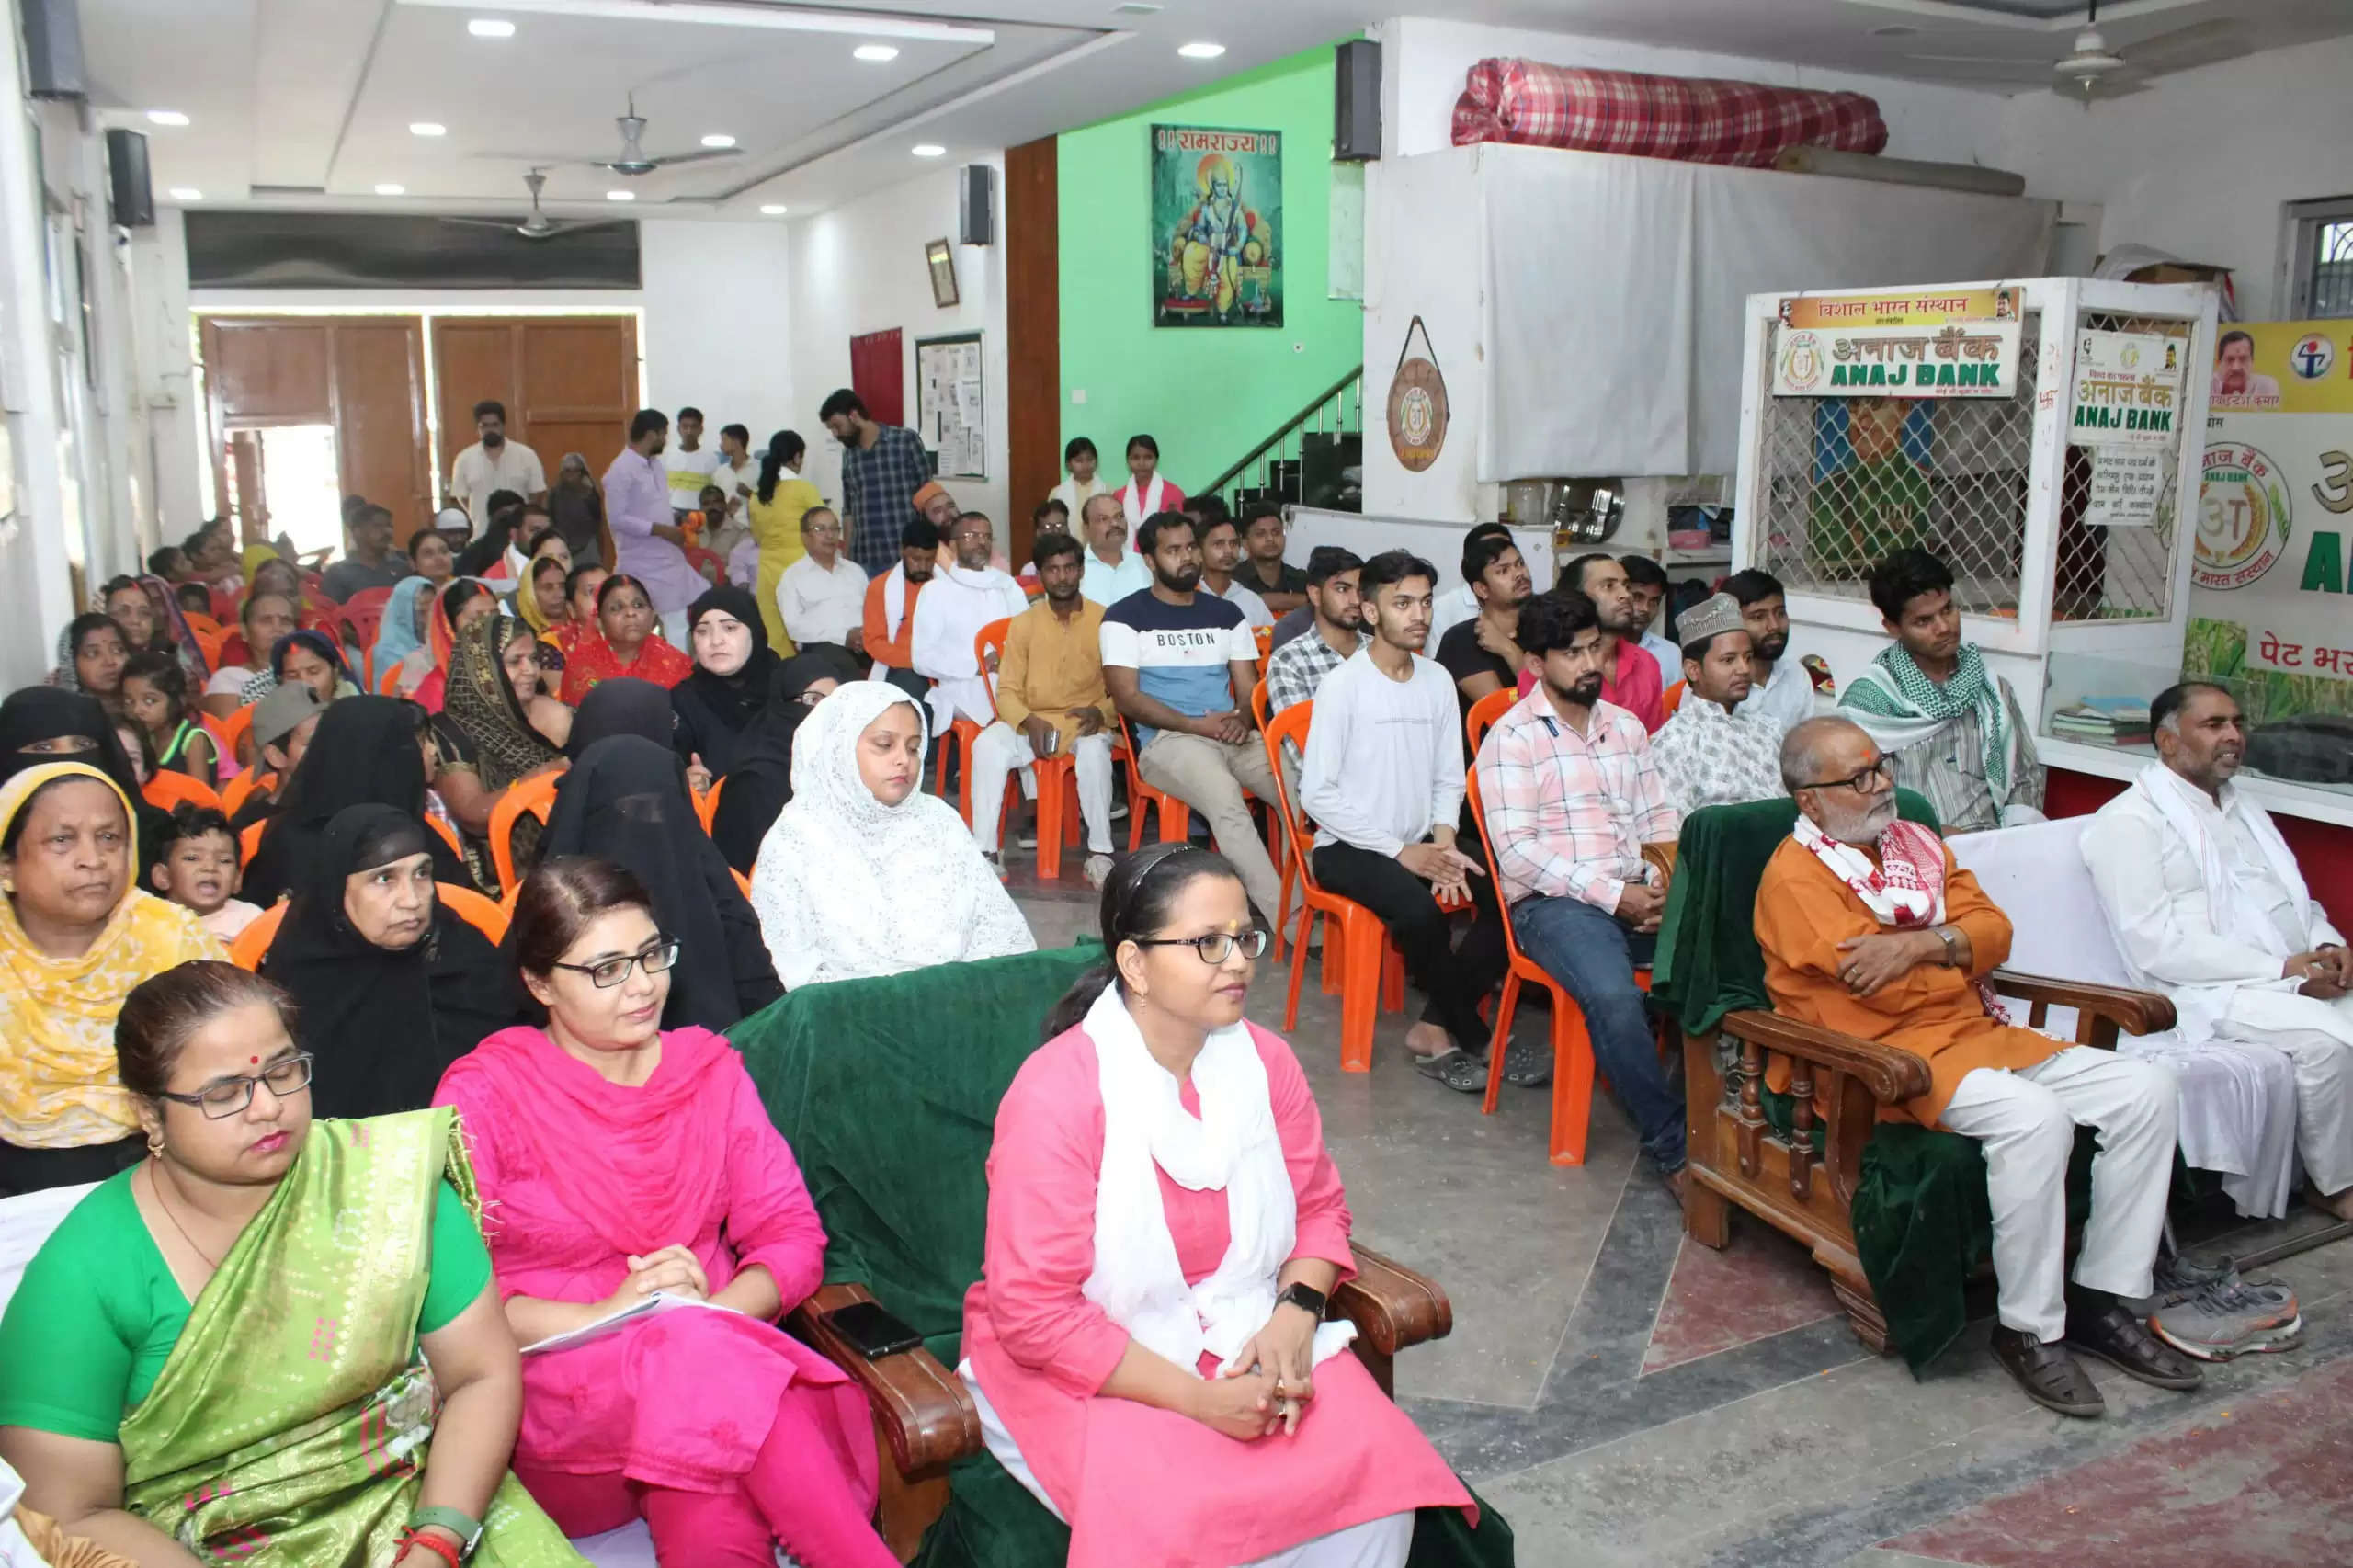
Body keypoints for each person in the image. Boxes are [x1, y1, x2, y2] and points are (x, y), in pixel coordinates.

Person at [963, 844, 1477, 1568]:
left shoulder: (1264, 1063)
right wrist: (1199, 1401)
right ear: (1135, 966)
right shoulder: (1059, 1095)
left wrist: (1295, 1317)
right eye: (1208, 943)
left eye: (1245, 937)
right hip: (1094, 1360)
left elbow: (1321, 1209)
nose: (1237, 961)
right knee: (1181, 1517)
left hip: (1243, 1325)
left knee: (1372, 1480)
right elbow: (1034, 1314)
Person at [0, 961, 584, 1564]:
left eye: (284, 1072)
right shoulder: (84, 1270)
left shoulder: (390, 1186)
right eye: (223, 1093)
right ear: (150, 1113)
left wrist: (436, 1541)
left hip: (425, 1502)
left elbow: (480, 1376)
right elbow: (69, 1510)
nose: (266, 1107)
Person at [434, 858, 890, 1566]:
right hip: (563, 1406)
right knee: (704, 1375)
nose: (643, 984)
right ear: (538, 983)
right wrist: (610, 1313)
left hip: (711, 1366)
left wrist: (715, 1315)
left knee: (699, 1382)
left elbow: (792, 1235)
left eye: (650, 954)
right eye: (607, 969)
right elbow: (454, 1302)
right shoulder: (486, 1096)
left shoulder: (705, 1071)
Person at [1758, 716, 2196, 1417]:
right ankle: (2028, 1331)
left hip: (1979, 1033)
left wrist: (1918, 946)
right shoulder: (1793, 877)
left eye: (1882, 767)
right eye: (1859, 778)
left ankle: (2099, 1298)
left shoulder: (1920, 846)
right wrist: (1950, 953)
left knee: (2147, 1087)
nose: (1882, 786)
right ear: (1811, 800)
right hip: (1882, 1060)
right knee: (2036, 1118)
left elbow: (1997, 934)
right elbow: (1884, 989)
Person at [2081, 681, 2353, 1227]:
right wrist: (2283, 971)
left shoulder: (2242, 808)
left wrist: (2327, 945)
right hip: (2199, 990)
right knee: (2327, 1043)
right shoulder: (2129, 822)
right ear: (2167, 742)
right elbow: (2153, 944)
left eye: (2236, 723)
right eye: (2213, 725)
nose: (2233, 736)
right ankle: (2333, 1185)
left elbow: (2292, 896)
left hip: (2278, 974)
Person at [1474, 591, 1683, 1168]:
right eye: (1572, 653)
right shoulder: (1513, 739)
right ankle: (1675, 1147)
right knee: (1615, 997)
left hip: (1637, 888)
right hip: (1554, 904)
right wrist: (1617, 897)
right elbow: (1516, 852)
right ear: (1537, 664)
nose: (1591, 663)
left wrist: (1662, 883)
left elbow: (1657, 818)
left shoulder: (1626, 727)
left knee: (1725, 964)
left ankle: (1722, 1119)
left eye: (1596, 647)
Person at [1302, 552, 1506, 1093]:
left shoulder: (1437, 679)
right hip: (1347, 845)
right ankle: (1475, 1033)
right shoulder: (1344, 686)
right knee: (1422, 917)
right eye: (1402, 604)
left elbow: (1448, 774)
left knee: (1512, 898)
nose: (1419, 615)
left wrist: (1442, 839)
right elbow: (1316, 793)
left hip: (1421, 839)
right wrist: (1400, 851)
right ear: (1370, 611)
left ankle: (1434, 1024)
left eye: (1424, 602)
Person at [0, 763, 223, 1196]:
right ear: (7, 867)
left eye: (109, 838)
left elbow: (230, 1081)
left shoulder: (174, 940)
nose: (93, 859)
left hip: (161, 1177)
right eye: (62, 840)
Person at [750, 681, 1034, 989]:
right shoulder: (796, 837)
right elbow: (791, 966)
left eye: (913, 748)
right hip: (847, 1016)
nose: (904, 760)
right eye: (885, 745)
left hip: (954, 1002)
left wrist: (962, 992)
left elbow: (997, 930)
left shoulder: (938, 821)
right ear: (839, 746)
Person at [259, 804, 524, 1117]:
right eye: (384, 879)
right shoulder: (300, 992)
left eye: (422, 874)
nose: (412, 900)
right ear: (336, 890)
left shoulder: (466, 962)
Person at [1101, 511, 1284, 921]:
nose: (1186, 558)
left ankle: (1306, 894)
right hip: (1168, 740)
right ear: (1149, 560)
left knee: (1299, 789)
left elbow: (1248, 685)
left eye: (1189, 548)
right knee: (1227, 802)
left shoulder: (1226, 615)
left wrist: (1242, 717)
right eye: (1172, 551)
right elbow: (1126, 699)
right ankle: (1288, 918)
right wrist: (1194, 725)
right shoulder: (1124, 617)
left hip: (1230, 733)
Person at [540, 738, 782, 1029]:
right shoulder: (554, 914)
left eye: (660, 810)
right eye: (624, 811)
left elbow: (767, 1014)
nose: (643, 985)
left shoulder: (720, 900)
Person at [1840, 548, 2044, 834]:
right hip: (1911, 854)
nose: (1944, 627)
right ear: (1892, 627)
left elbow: (2025, 779)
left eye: (1947, 610)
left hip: (1993, 847)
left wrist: (2016, 837)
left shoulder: (1992, 691)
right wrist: (1933, 834)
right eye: (1923, 621)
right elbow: (1858, 802)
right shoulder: (1870, 704)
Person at [970, 532, 1119, 886]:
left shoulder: (1106, 621)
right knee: (986, 745)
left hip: (1085, 723)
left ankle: (1100, 854)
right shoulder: (1024, 624)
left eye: (1069, 568)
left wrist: (1102, 712)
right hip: (1031, 722)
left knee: (1095, 752)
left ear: (1081, 571)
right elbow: (1006, 690)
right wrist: (1027, 720)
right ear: (1041, 575)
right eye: (1053, 570)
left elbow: (1124, 687)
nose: (1062, 577)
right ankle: (986, 853)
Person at [241, 695, 472, 911]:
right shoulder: (292, 847)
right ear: (377, 758)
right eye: (409, 744)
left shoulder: (419, 832)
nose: (432, 750)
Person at [428, 614, 566, 883]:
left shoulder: (557, 712)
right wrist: (540, 777)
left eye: (534, 659)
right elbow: (473, 815)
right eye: (515, 661)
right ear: (483, 669)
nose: (531, 671)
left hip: (563, 852)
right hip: (497, 876)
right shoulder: (449, 731)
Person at [1646, 593, 1784, 814]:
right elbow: (1678, 831)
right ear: (1694, 670)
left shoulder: (1768, 730)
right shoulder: (1675, 742)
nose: (1744, 669)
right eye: (1728, 660)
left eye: (1747, 658)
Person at [911, 511, 1029, 739]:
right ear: (953, 545)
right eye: (972, 535)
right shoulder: (936, 592)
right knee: (1017, 704)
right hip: (961, 686)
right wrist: (977, 666)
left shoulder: (1005, 585)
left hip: (1009, 677)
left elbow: (1027, 633)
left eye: (986, 536)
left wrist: (1005, 656)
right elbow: (921, 658)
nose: (981, 541)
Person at [603, 410, 703, 646]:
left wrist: (678, 521)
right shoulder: (620, 470)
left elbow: (655, 505)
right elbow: (617, 518)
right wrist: (658, 529)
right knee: (642, 625)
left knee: (678, 623)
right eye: (663, 435)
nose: (665, 441)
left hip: (667, 558)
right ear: (651, 435)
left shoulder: (655, 464)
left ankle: (678, 675)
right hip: (640, 561)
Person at [1538, 553, 1664, 732]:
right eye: (1609, 586)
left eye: (1626, 586)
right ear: (1577, 596)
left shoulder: (1647, 663)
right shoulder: (1550, 666)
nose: (1625, 595)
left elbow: (1652, 742)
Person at [672, 585, 783, 787]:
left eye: (730, 628)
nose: (715, 641)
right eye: (702, 631)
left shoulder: (788, 689)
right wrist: (684, 782)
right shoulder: (683, 701)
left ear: (755, 632)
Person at [822, 387, 934, 577]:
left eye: (837, 426)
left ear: (854, 415)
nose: (835, 434)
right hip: (865, 559)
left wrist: (929, 548)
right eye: (831, 429)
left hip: (905, 555)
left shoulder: (905, 441)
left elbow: (929, 496)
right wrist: (847, 560)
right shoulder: (849, 455)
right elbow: (849, 510)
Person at [1434, 531, 1533, 726]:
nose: (1519, 574)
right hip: (1490, 753)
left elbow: (1561, 703)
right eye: (1503, 571)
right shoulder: (1462, 640)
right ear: (1482, 589)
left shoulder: (1545, 627)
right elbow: (1505, 723)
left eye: (1520, 563)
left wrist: (1509, 649)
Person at [1263, 547, 1364, 721]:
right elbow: (1302, 742)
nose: (1356, 600)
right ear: (1315, 594)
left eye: (1361, 591)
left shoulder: (1381, 652)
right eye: (1342, 589)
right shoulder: (1289, 661)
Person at [560, 574, 692, 705]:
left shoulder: (676, 664)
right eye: (616, 608)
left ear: (652, 615)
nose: (630, 613)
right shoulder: (581, 669)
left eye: (638, 605)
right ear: (599, 621)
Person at [748, 429, 824, 648]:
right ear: (797, 457)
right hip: (801, 569)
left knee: (774, 635)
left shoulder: (757, 493)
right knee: (807, 635)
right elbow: (825, 531)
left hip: (768, 571)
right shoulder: (804, 489)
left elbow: (758, 536)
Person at [150, 802, 262, 943]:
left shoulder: (250, 920)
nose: (210, 867)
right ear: (163, 877)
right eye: (192, 858)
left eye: (224, 860)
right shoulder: (151, 922)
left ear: (237, 880)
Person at [1722, 568, 1813, 734]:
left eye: (1780, 613)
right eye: (1758, 617)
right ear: (1731, 623)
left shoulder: (1796, 675)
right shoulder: (1713, 684)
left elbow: (1805, 745)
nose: (1774, 626)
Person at [858, 517, 938, 705]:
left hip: (943, 667)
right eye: (916, 559)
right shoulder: (880, 588)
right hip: (902, 667)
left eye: (929, 559)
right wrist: (918, 663)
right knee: (915, 694)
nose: (923, 566)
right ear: (901, 551)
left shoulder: (947, 585)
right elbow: (874, 642)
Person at [227, 683, 326, 834]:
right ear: (276, 756)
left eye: (329, 733)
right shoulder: (253, 827)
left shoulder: (346, 799)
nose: (326, 745)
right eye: (311, 742)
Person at [777, 507, 868, 658]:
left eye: (834, 529)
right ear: (804, 536)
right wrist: (844, 636)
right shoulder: (792, 576)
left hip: (865, 645)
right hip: (822, 649)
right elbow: (793, 627)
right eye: (820, 529)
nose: (830, 535)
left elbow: (872, 611)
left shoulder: (855, 571)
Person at [119, 652, 217, 788]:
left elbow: (199, 798)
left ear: (179, 700)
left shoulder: (193, 739)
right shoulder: (137, 737)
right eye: (129, 701)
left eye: (149, 700)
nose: (137, 710)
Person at [450, 397, 548, 524]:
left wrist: (523, 518)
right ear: (478, 429)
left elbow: (537, 492)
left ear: (503, 426)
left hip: (517, 534)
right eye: (484, 426)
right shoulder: (464, 459)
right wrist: (477, 516)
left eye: (495, 425)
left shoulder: (526, 455)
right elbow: (462, 496)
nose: (490, 430)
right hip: (481, 535)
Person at [201, 591, 297, 719]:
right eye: (266, 621)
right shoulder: (229, 679)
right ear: (245, 632)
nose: (277, 628)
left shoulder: (309, 674)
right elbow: (233, 733)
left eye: (285, 621)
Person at [411, 578, 499, 713]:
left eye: (495, 617)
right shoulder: (436, 688)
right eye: (476, 619)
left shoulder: (514, 669)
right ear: (450, 626)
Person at [240, 627, 357, 710]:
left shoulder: (357, 711)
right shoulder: (270, 720)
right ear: (280, 681)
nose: (303, 683)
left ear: (335, 672)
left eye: (313, 672)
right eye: (292, 676)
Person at [1197, 509, 1273, 631]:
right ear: (1199, 553)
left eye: (1233, 543)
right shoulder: (1190, 598)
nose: (1228, 551)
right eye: (1218, 544)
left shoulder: (1252, 601)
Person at [321, 503, 413, 602]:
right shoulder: (336, 574)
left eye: (390, 526)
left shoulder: (403, 568)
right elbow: (331, 614)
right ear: (357, 532)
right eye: (378, 526)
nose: (387, 531)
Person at [1232, 502, 1307, 617]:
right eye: (1261, 534)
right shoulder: (1234, 580)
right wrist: (1299, 600)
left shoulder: (1301, 579)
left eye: (1276, 532)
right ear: (1245, 543)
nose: (1270, 539)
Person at [1078, 492, 1150, 608]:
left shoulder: (1145, 565)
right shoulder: (1075, 570)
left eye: (1119, 516)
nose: (1115, 523)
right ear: (1086, 528)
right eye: (1103, 519)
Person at [1113, 434, 1185, 546]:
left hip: (1164, 555)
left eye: (1148, 457)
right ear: (1128, 461)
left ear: (1156, 459)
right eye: (1136, 458)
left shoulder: (1173, 493)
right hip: (1127, 558)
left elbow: (1180, 532)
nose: (1142, 463)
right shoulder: (1118, 496)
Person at [51, 615, 129, 714]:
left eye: (118, 650)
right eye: (93, 654)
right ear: (71, 662)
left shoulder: (145, 712)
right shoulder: (61, 718)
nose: (110, 661)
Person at [1620, 555, 1680, 676]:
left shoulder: (1670, 653)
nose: (1645, 609)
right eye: (1637, 597)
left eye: (1654, 601)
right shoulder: (1595, 652)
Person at [547, 451, 608, 569]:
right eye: (567, 470)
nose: (571, 475)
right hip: (563, 548)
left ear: (581, 472)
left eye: (575, 470)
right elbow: (552, 521)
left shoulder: (589, 494)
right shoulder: (555, 494)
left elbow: (598, 525)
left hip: (587, 548)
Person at [664, 404, 722, 517]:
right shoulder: (667, 455)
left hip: (699, 514)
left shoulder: (711, 458)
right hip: (671, 512)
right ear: (678, 429)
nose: (689, 431)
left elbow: (715, 489)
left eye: (694, 427)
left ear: (701, 429)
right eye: (685, 426)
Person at [546, 562, 609, 664]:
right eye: (591, 591)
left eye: (607, 589)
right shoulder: (553, 644)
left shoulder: (636, 637)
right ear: (571, 609)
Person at [2211, 329, 2281, 403]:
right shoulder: (2205, 385)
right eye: (2230, 360)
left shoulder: (2267, 386)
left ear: (2252, 362)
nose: (2236, 368)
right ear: (2218, 363)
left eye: (2243, 359)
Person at [1048, 435, 1105, 520]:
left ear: (1096, 462)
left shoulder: (1107, 491)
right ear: (1068, 465)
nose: (1085, 465)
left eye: (1090, 460)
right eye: (1079, 461)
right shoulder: (1057, 493)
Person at [412, 525, 458, 591]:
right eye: (428, 553)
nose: (439, 558)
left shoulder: (469, 589)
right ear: (413, 563)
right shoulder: (405, 595)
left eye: (444, 551)